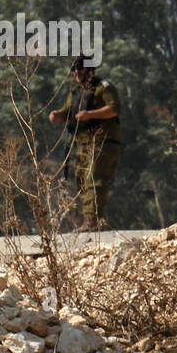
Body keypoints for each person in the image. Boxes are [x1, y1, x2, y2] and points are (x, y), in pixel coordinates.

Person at [48, 55, 122, 231]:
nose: (76, 73)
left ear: (89, 69)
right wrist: (57, 115)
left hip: (103, 142)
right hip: (83, 144)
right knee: (81, 181)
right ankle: (89, 221)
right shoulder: (76, 92)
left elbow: (113, 109)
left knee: (94, 180)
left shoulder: (103, 88)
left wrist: (90, 115)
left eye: (79, 69)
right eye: (74, 70)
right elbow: (68, 112)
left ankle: (93, 221)